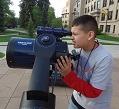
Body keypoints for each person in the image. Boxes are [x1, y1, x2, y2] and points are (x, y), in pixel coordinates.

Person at [56, 15, 114, 109]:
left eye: (75, 34)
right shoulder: (79, 49)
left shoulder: (104, 58)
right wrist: (66, 67)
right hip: (75, 100)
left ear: (90, 35)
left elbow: (93, 92)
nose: (72, 38)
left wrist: (67, 74)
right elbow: (74, 73)